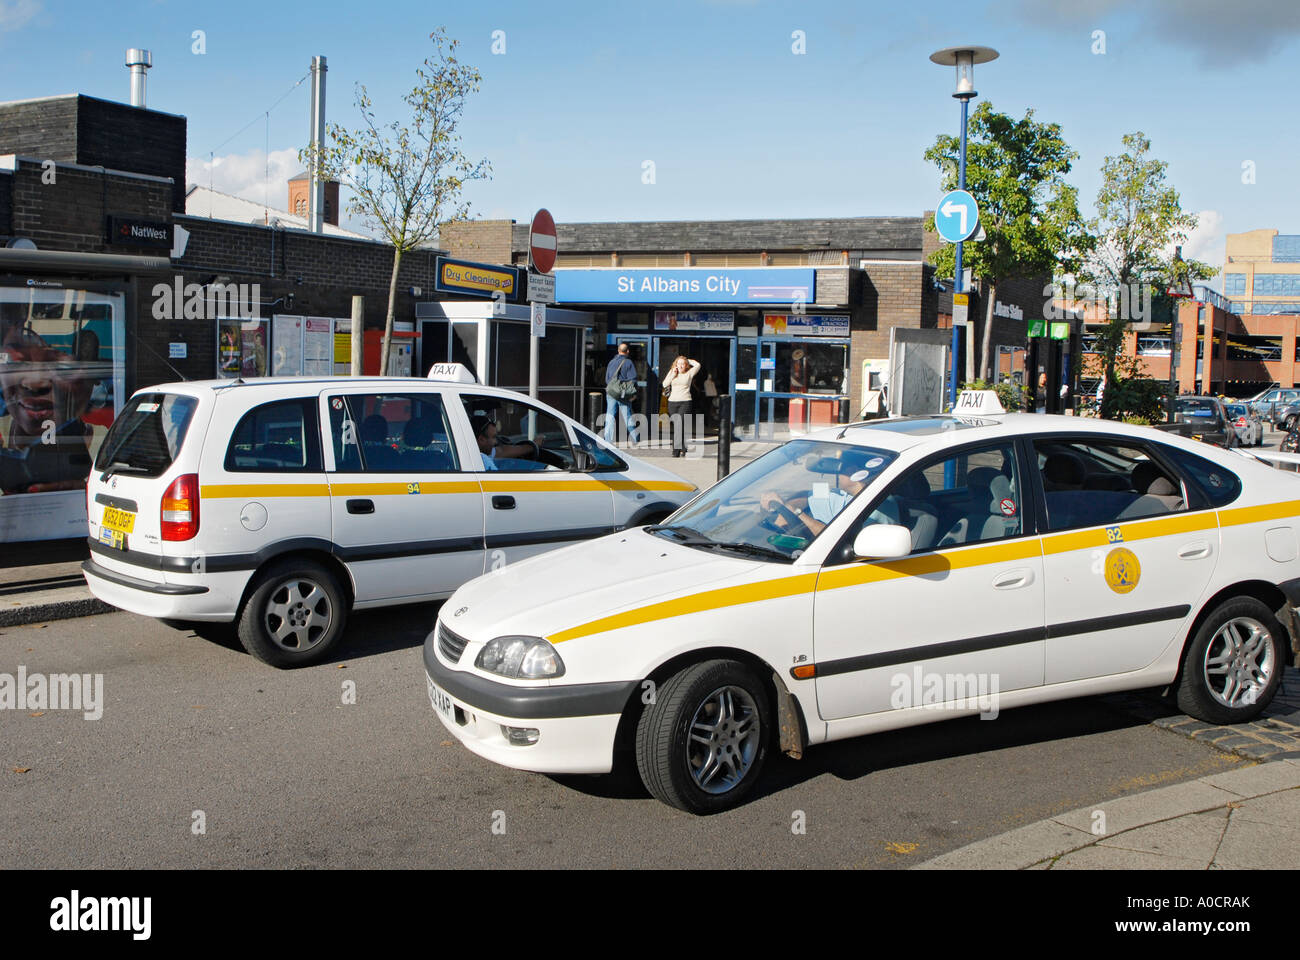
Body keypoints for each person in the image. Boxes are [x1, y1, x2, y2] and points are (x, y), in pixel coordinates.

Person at [759, 461, 872, 538]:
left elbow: (833, 539)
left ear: (855, 470)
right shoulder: (838, 493)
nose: (836, 473)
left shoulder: (874, 507)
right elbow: (805, 495)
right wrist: (782, 506)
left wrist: (796, 512)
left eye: (841, 467)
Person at [471, 413, 545, 470]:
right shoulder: (481, 459)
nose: (496, 442)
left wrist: (532, 446)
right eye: (493, 437)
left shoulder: (485, 452)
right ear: (481, 439)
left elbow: (502, 450)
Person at [661, 354, 701, 457]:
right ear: (675, 365)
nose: (681, 366)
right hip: (672, 402)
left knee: (679, 425)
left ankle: (676, 450)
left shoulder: (689, 373)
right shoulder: (672, 372)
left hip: (685, 402)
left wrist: (687, 359)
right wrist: (673, 374)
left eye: (683, 364)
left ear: (686, 365)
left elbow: (698, 365)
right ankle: (684, 447)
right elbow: (665, 384)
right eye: (679, 364)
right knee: (678, 426)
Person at [604, 342, 640, 444]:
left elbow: (607, 379)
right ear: (627, 351)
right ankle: (634, 439)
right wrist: (633, 394)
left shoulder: (611, 362)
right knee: (627, 415)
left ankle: (607, 440)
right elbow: (633, 379)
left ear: (618, 351)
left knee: (610, 416)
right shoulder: (628, 362)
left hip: (611, 393)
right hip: (623, 394)